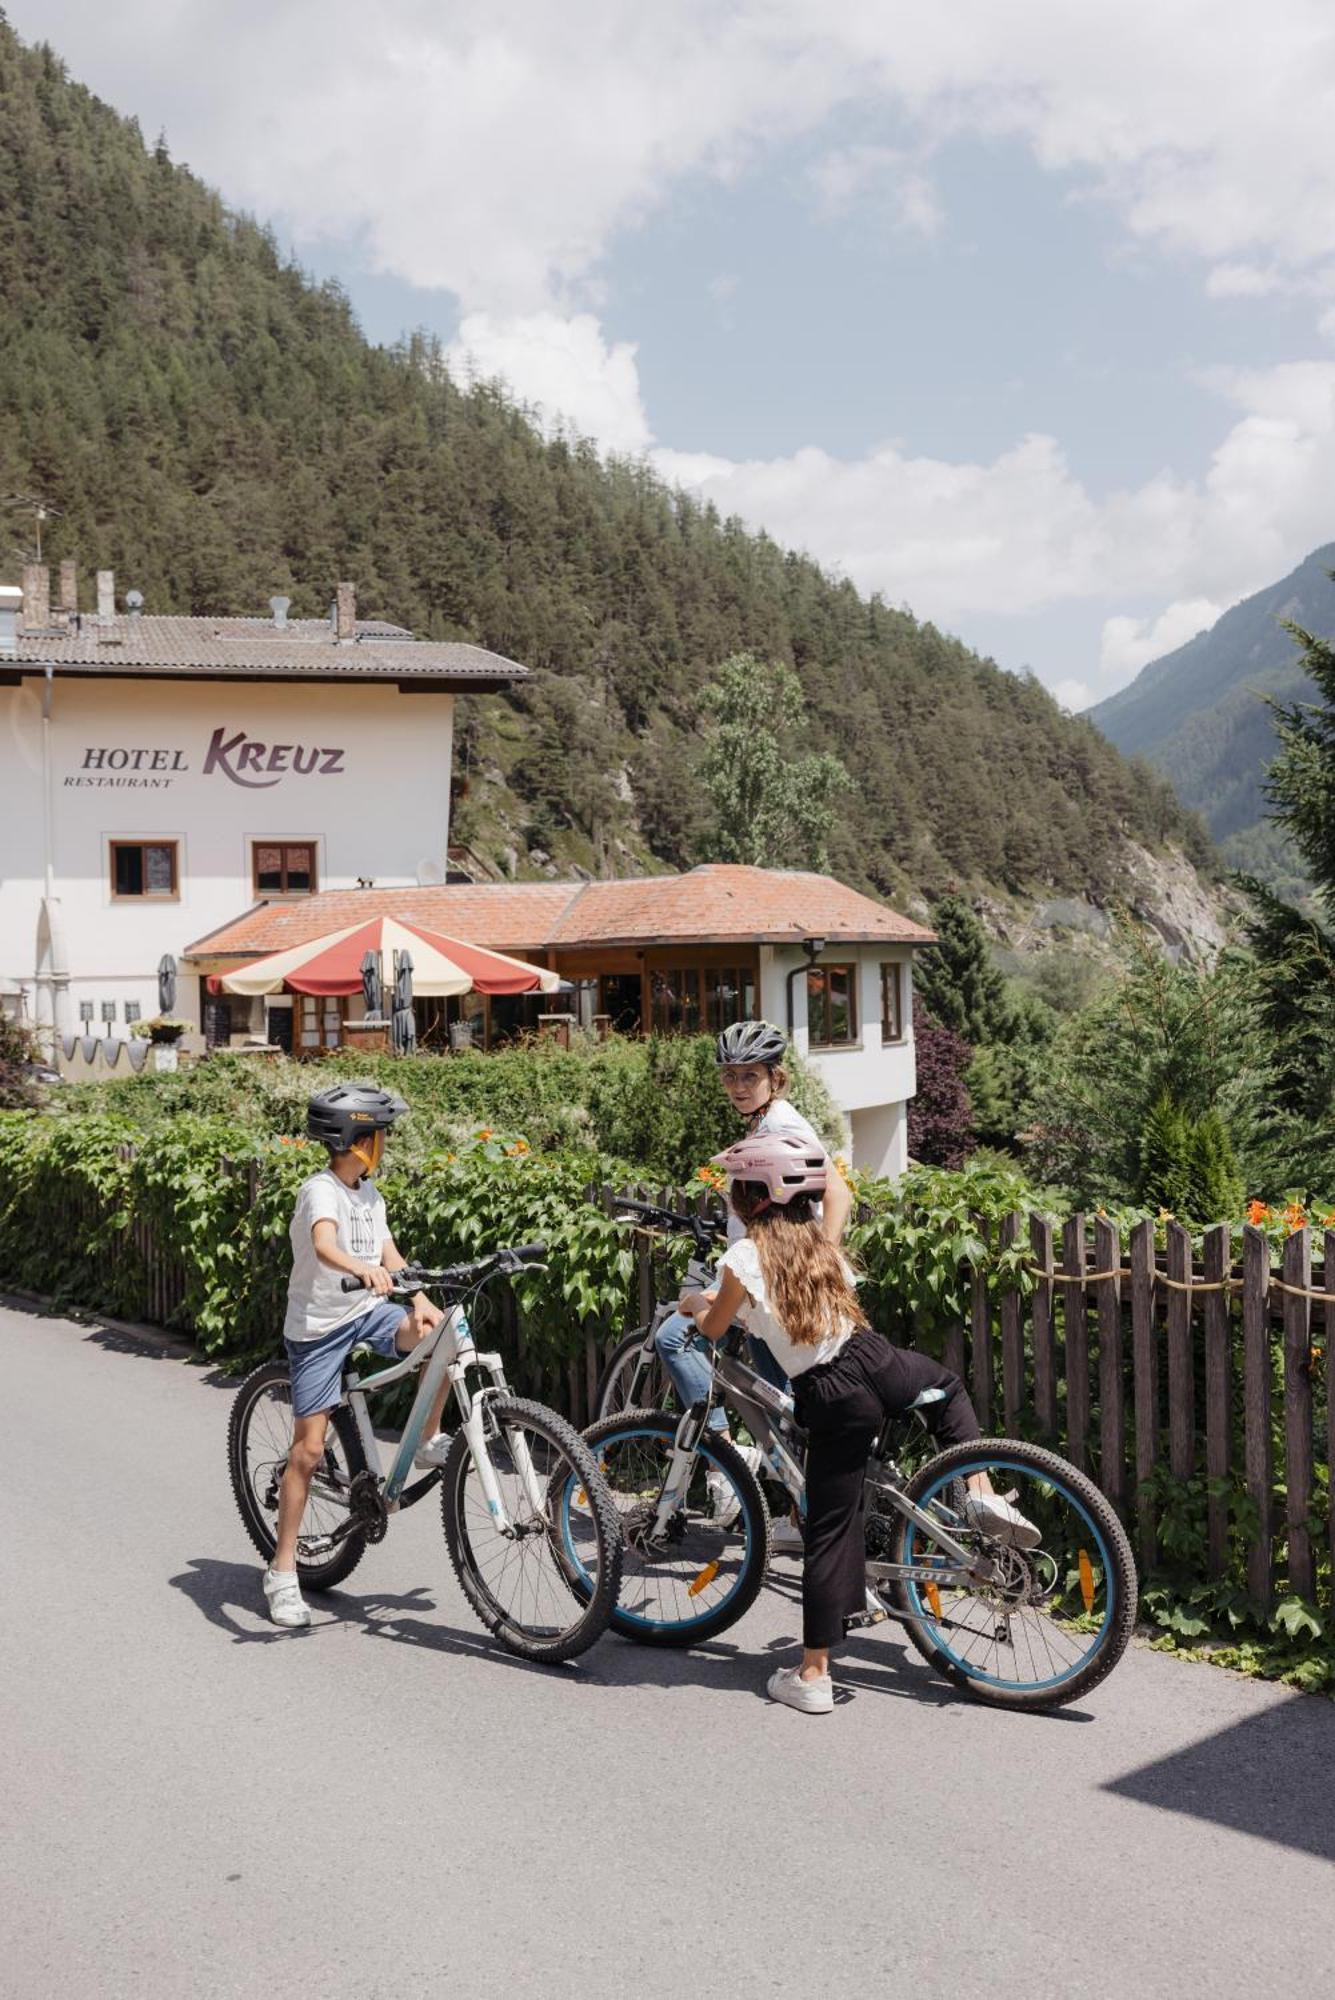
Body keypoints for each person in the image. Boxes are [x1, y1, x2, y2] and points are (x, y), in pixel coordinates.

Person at [679, 1130, 1038, 1715]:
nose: (730, 1197)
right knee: (946, 1386)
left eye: (735, 1189)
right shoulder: (820, 1244)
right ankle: (980, 1493)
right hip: (877, 1359)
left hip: (833, 1392)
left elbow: (717, 1329)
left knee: (828, 1528)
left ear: (754, 1197)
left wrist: (693, 1304)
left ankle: (814, 1674)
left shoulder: (744, 1257)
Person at [263, 1082, 452, 1629]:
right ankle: (281, 1572)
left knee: (444, 1335)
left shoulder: (370, 1193)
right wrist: (359, 1269)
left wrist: (416, 1296)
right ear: (354, 1138)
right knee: (309, 1453)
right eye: (379, 1135)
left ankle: (426, 1440)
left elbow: (388, 1250)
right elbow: (324, 1244)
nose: (384, 1144)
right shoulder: (320, 1190)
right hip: (320, 1327)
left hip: (365, 1314)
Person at [654, 1019, 851, 1540]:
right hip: (770, 1276)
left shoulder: (784, 1124)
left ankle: (723, 1460)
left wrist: (819, 1265)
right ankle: (801, 1510)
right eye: (731, 1076)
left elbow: (839, 1194)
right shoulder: (765, 1123)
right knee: (784, 1399)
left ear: (775, 1077)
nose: (739, 1086)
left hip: (774, 1279)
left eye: (751, 1075)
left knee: (674, 1336)